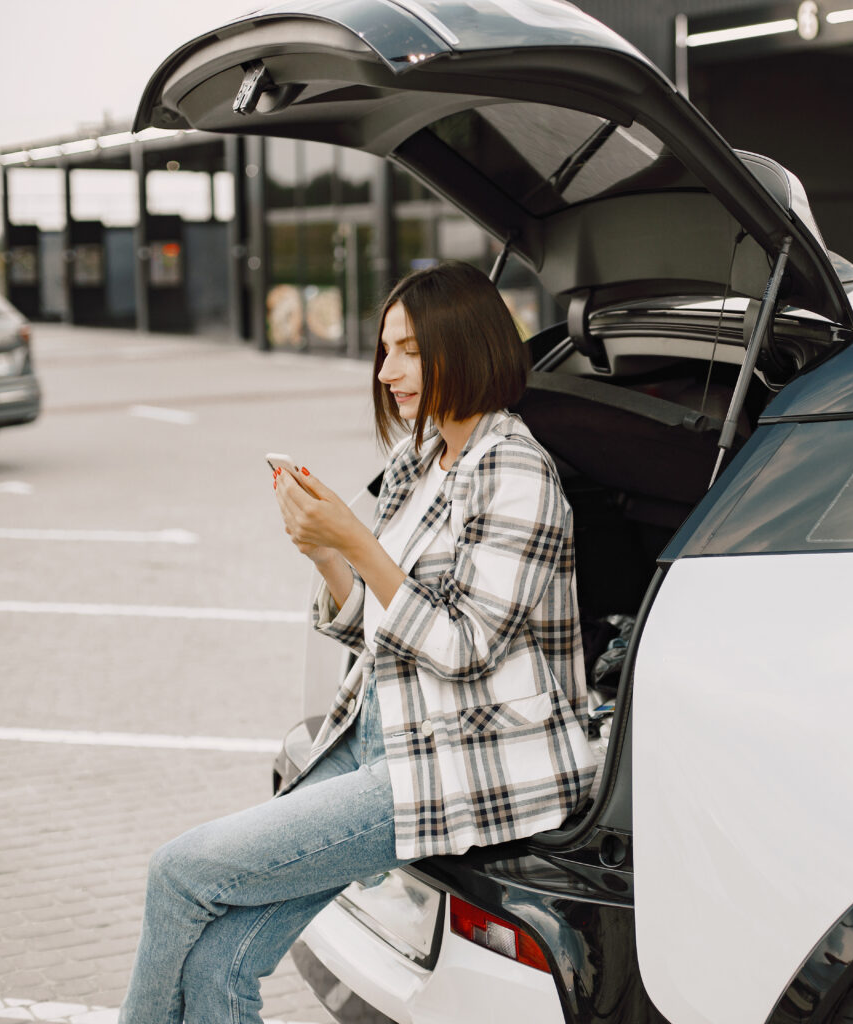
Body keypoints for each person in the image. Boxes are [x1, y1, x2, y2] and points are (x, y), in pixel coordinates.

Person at [119, 260, 597, 1024]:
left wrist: (356, 540)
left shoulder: (517, 471)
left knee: (177, 873)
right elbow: (375, 625)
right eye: (384, 350)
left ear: (463, 344)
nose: (386, 371)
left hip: (452, 762)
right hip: (373, 731)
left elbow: (467, 646)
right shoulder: (422, 457)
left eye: (407, 349)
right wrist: (324, 553)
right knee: (218, 962)